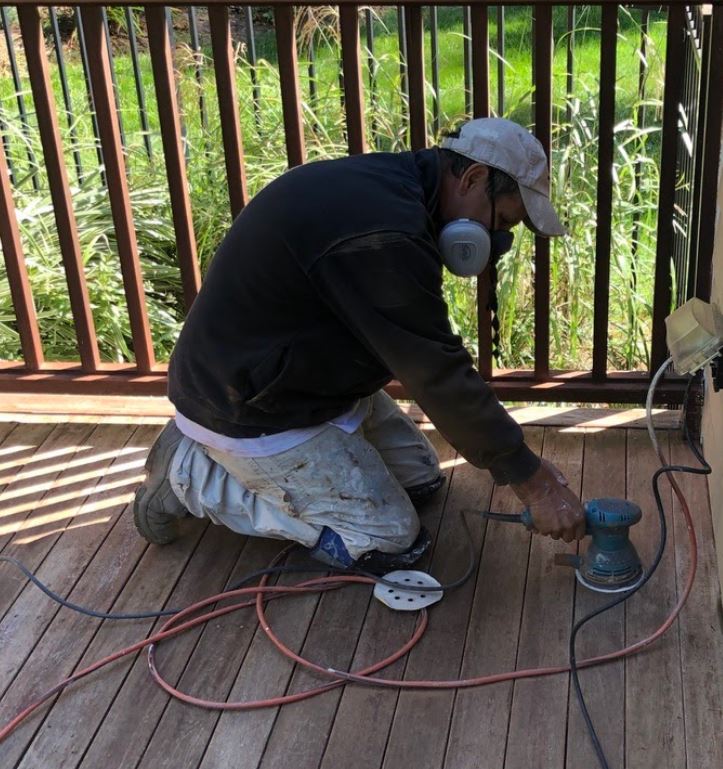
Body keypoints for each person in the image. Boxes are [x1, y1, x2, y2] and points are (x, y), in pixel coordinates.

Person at [133, 117, 586, 571]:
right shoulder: (384, 234)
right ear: (472, 178)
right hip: (249, 405)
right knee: (389, 540)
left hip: (299, 375)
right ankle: (192, 474)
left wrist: (517, 465)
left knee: (422, 482)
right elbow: (436, 373)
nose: (497, 241)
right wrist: (532, 479)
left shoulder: (403, 189)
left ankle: (250, 456)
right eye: (503, 221)